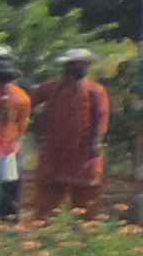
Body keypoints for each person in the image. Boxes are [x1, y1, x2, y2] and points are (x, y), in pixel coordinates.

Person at [28, 45, 112, 223]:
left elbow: (101, 116)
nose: (77, 69)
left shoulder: (95, 90)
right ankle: (44, 231)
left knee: (86, 195)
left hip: (83, 150)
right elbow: (28, 102)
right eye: (73, 65)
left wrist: (96, 142)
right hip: (55, 150)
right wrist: (32, 124)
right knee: (48, 194)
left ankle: (86, 234)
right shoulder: (51, 88)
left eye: (82, 65)